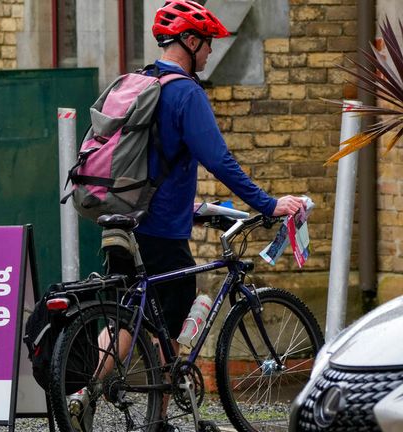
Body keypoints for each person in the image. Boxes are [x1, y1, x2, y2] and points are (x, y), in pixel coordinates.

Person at [68, 2, 306, 432]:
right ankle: (154, 415)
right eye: (207, 43)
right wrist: (269, 204)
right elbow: (219, 160)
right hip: (161, 234)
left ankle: (84, 392)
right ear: (189, 42)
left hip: (122, 222)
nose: (211, 52)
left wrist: (197, 210)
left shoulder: (142, 80)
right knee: (166, 324)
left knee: (131, 315)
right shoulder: (185, 93)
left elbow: (152, 164)